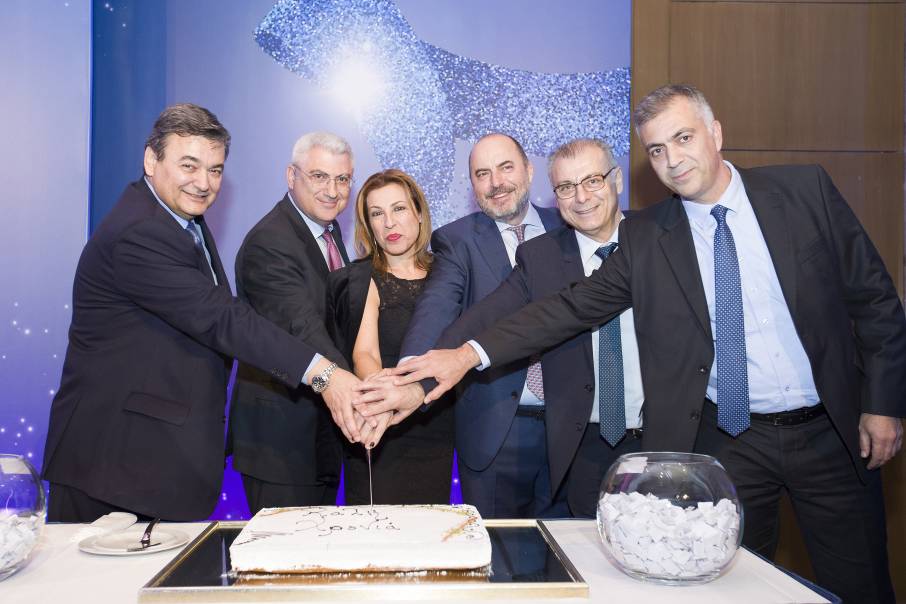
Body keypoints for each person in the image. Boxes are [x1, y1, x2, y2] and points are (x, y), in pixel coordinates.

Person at [384, 85, 906, 603]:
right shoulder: (651, 235)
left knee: (859, 583)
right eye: (657, 150)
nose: (673, 159)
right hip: (730, 443)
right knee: (732, 589)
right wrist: (461, 357)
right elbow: (564, 309)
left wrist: (882, 402)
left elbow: (874, 299)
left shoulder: (801, 190)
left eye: (683, 138)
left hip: (832, 430)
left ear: (715, 132)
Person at [42, 104, 366, 523]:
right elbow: (223, 319)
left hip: (148, 461)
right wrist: (326, 375)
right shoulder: (139, 232)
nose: (203, 182)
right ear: (151, 160)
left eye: (215, 170)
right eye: (189, 166)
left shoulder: (180, 218)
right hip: (112, 466)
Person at [429, 139, 644, 517]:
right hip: (583, 445)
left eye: (592, 181)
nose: (581, 197)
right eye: (566, 187)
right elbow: (492, 319)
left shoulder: (658, 239)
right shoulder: (541, 255)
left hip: (661, 441)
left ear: (617, 180)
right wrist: (422, 374)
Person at [361, 133, 564, 519]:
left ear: (528, 170)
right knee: (497, 551)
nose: (496, 182)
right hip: (497, 433)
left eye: (506, 167)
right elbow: (435, 311)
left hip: (573, 428)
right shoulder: (457, 240)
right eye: (482, 174)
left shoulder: (568, 225)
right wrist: (408, 382)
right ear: (472, 185)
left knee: (574, 548)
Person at [229, 132, 358, 513]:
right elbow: (302, 328)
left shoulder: (328, 231)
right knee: (284, 550)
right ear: (291, 176)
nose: (332, 191)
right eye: (319, 176)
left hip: (321, 437)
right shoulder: (269, 241)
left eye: (342, 179)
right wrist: (362, 392)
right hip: (280, 442)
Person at [327, 169, 454, 504]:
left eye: (398, 209)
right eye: (377, 214)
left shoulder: (449, 273)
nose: (389, 223)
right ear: (368, 225)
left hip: (437, 425)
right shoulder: (360, 277)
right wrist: (383, 402)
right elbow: (364, 354)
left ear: (418, 212)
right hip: (379, 426)